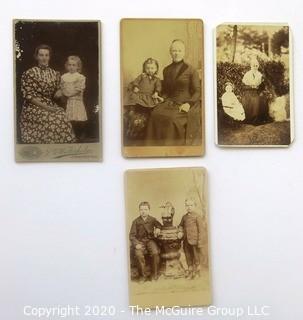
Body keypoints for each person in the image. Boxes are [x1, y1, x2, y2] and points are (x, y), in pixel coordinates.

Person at [146, 39, 201, 146]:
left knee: (171, 119)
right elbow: (167, 90)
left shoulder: (191, 69)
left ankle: (171, 149)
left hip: (185, 103)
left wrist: (189, 104)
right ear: (170, 52)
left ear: (184, 52)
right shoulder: (166, 70)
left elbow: (197, 91)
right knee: (154, 114)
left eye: (179, 51)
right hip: (170, 101)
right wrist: (162, 97)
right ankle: (155, 149)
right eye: (174, 51)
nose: (176, 53)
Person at [20, 44, 75, 144]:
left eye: (46, 55)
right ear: (36, 57)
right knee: (50, 119)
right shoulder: (29, 73)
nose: (44, 58)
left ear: (49, 57)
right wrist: (47, 108)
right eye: (41, 55)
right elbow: (28, 96)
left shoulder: (55, 74)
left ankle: (60, 153)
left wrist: (62, 91)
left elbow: (57, 93)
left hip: (49, 104)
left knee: (62, 116)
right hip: (33, 106)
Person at [124, 58, 163, 140]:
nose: (150, 70)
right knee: (134, 99)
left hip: (149, 96)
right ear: (144, 68)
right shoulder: (142, 76)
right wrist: (135, 87)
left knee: (150, 106)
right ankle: (134, 109)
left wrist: (156, 92)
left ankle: (145, 111)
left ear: (156, 69)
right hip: (140, 94)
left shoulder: (157, 79)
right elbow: (135, 81)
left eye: (152, 68)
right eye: (148, 68)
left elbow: (158, 87)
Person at [129, 201, 162, 281]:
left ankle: (154, 274)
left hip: (150, 241)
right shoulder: (136, 221)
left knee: (155, 252)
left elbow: (159, 225)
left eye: (145, 209)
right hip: (140, 242)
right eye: (141, 209)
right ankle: (142, 275)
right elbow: (132, 235)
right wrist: (136, 244)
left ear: (149, 210)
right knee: (139, 254)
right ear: (139, 211)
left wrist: (158, 228)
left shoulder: (152, 219)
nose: (143, 211)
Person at [59, 55, 88, 141]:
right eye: (69, 65)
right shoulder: (64, 77)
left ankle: (81, 134)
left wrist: (68, 94)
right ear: (67, 65)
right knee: (69, 118)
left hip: (76, 100)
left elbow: (78, 89)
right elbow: (62, 87)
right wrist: (64, 93)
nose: (71, 67)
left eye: (74, 65)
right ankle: (72, 135)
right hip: (67, 101)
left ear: (78, 66)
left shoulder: (80, 77)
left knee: (78, 118)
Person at [178, 198, 204, 279]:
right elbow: (180, 226)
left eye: (191, 205)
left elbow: (201, 230)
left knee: (196, 257)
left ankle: (197, 272)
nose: (189, 207)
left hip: (195, 241)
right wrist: (180, 231)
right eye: (187, 205)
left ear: (195, 206)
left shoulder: (197, 216)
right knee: (188, 257)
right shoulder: (184, 217)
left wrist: (200, 242)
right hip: (186, 241)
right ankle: (190, 272)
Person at [241, 59, 264, 124]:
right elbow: (243, 85)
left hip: (256, 91)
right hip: (248, 91)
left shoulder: (260, 74)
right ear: (251, 66)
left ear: (258, 66)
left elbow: (262, 85)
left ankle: (255, 119)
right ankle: (248, 119)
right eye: (254, 65)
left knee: (257, 101)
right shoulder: (247, 74)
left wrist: (257, 87)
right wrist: (250, 86)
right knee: (248, 101)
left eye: (256, 66)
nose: (255, 67)